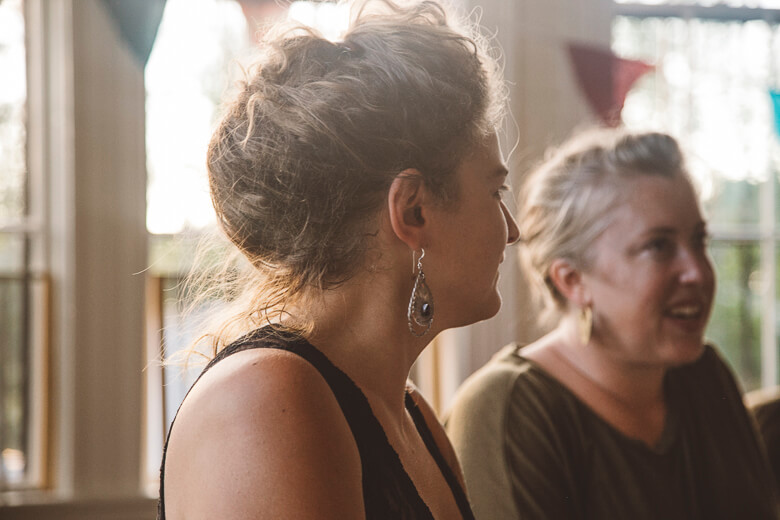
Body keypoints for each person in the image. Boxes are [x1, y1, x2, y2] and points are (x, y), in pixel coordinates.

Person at [157, 0, 519, 518]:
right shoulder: (265, 401)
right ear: (413, 210)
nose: (514, 231)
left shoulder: (414, 416)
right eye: (494, 192)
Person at [445, 129, 778, 519]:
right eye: (658, 246)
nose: (698, 273)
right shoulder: (509, 409)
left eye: (699, 240)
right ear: (572, 280)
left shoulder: (704, 375)